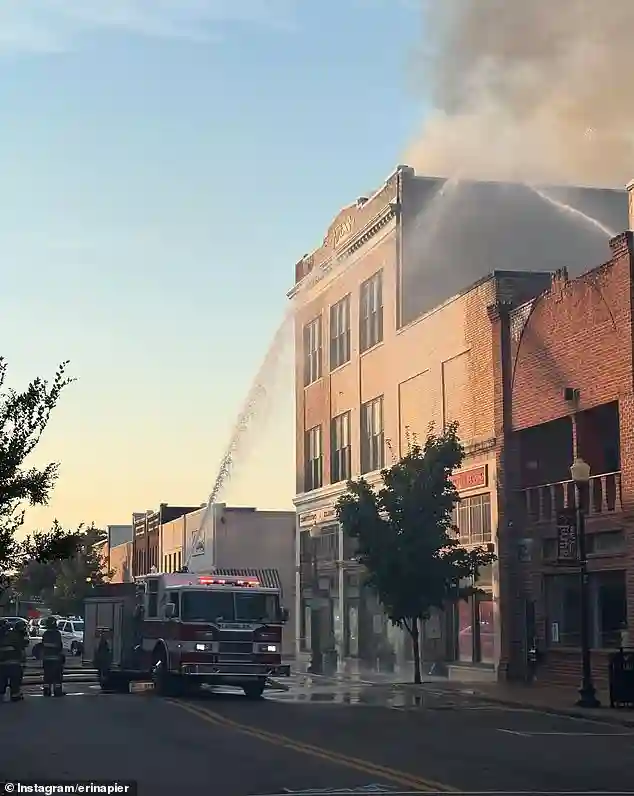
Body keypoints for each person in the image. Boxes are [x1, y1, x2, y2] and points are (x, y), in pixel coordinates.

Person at [0, 618, 28, 701]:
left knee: (2, 681)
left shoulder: (2, 636)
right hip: (14, 663)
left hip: (2, 663)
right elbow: (21, 650)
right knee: (15, 680)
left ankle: (1, 695)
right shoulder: (15, 635)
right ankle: (15, 695)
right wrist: (23, 664)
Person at [41, 616, 65, 697]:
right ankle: (57, 691)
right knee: (57, 676)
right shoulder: (57, 634)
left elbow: (43, 646)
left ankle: (46, 691)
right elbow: (59, 646)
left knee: (47, 676)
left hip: (46, 659)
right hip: (56, 659)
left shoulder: (45, 634)